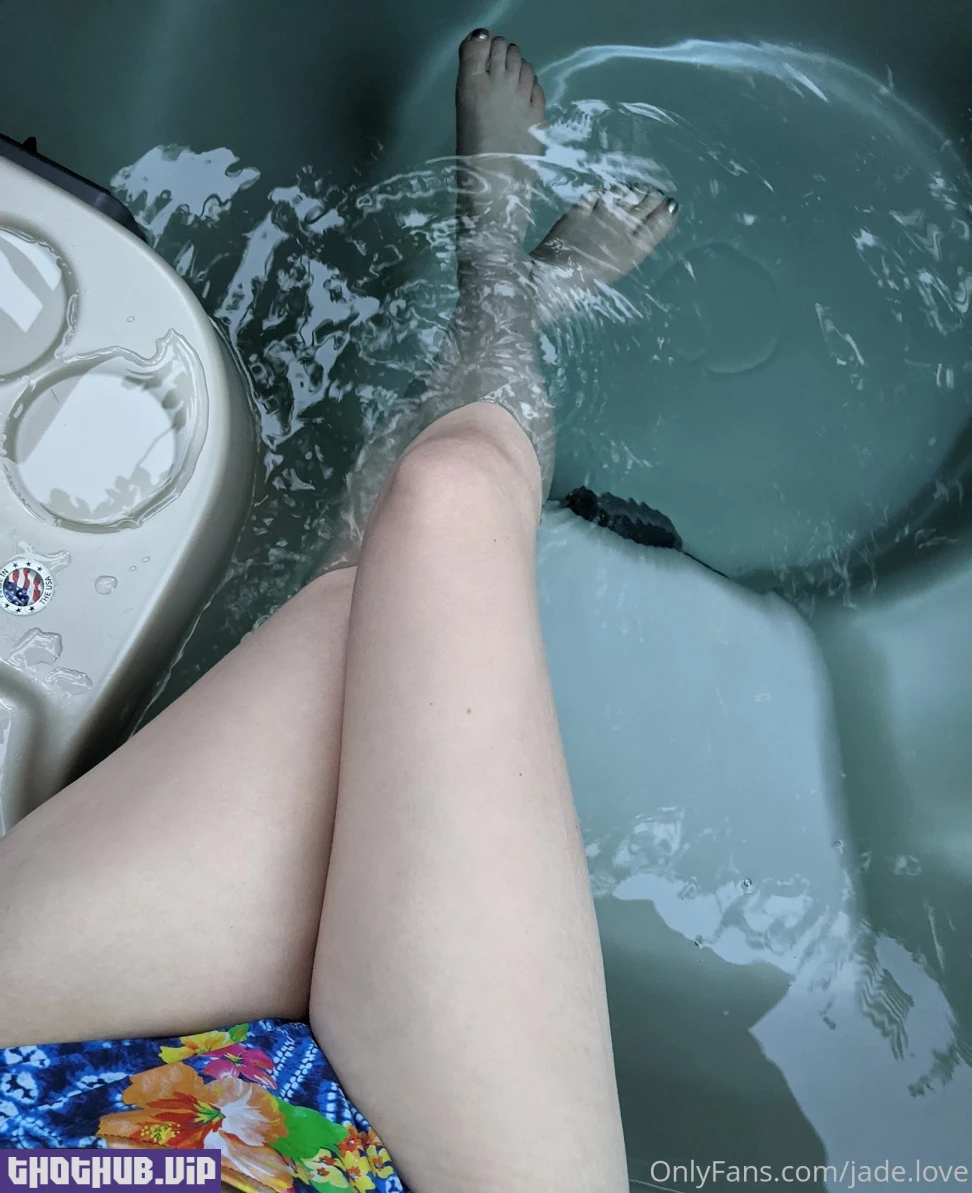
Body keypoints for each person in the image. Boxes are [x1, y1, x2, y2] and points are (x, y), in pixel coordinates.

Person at [0, 29, 677, 1193]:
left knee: (370, 610)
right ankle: (508, 280)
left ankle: (509, 285)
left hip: (46, 1098)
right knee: (451, 501)